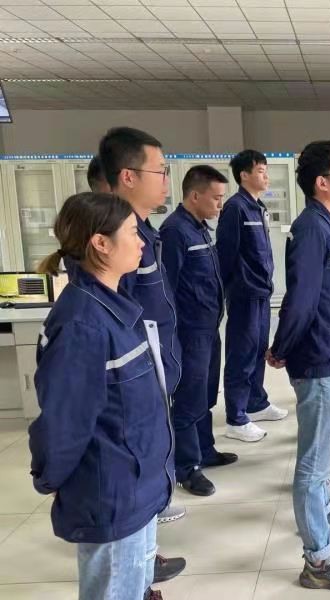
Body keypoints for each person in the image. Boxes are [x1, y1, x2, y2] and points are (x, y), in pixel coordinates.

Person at [29, 192, 171, 600]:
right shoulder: (82, 323)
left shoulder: (114, 304)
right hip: (112, 492)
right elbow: (64, 421)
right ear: (101, 243)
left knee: (136, 587)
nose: (141, 242)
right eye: (132, 233)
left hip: (137, 484)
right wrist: (51, 476)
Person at [267, 140, 330, 593]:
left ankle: (324, 512)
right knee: (314, 461)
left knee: (324, 454)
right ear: (321, 183)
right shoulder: (310, 229)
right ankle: (319, 559)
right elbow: (302, 298)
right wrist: (282, 347)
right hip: (319, 355)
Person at [98, 129, 187, 591]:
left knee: (150, 476)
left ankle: (145, 567)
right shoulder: (113, 238)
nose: (167, 180)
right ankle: (136, 572)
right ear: (129, 176)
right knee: (132, 482)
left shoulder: (143, 233)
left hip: (153, 375)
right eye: (161, 171)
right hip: (132, 384)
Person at [160, 166, 238, 497]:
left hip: (208, 327)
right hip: (189, 332)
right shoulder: (175, 231)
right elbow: (167, 288)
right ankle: (187, 467)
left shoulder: (200, 229)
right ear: (195, 196)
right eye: (216, 198)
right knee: (189, 400)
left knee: (205, 394)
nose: (221, 204)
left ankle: (205, 450)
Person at [216, 150, 288, 443]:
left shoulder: (257, 207)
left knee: (258, 349)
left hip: (260, 292)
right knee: (241, 354)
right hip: (244, 294)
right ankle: (236, 417)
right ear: (243, 175)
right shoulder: (235, 208)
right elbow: (226, 254)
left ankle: (256, 403)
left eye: (266, 170)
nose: (266, 176)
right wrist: (235, 287)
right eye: (260, 170)